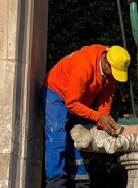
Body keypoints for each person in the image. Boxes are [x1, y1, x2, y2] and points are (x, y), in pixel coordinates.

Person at [43, 44, 130, 187]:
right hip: (56, 93)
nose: (114, 75)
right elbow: (71, 103)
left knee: (81, 139)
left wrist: (104, 123)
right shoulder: (83, 66)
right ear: (106, 62)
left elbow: (105, 99)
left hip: (78, 99)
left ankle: (82, 183)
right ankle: (55, 183)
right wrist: (97, 117)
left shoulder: (111, 63)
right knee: (57, 138)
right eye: (114, 71)